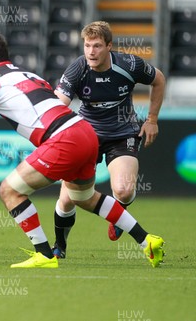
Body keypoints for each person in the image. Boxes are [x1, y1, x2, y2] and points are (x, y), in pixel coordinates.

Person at [0, 33, 165, 268]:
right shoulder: (26, 74)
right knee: (83, 197)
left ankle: (44, 254)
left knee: (9, 190)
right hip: (84, 131)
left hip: (63, 138)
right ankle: (146, 240)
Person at [52, 21, 166, 256]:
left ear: (109, 47)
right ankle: (60, 247)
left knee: (123, 190)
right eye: (87, 46)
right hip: (86, 136)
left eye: (97, 46)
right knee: (67, 200)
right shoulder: (77, 69)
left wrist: (152, 119)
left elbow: (159, 80)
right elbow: (58, 104)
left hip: (122, 134)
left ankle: (118, 215)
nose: (91, 52)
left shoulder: (129, 64)